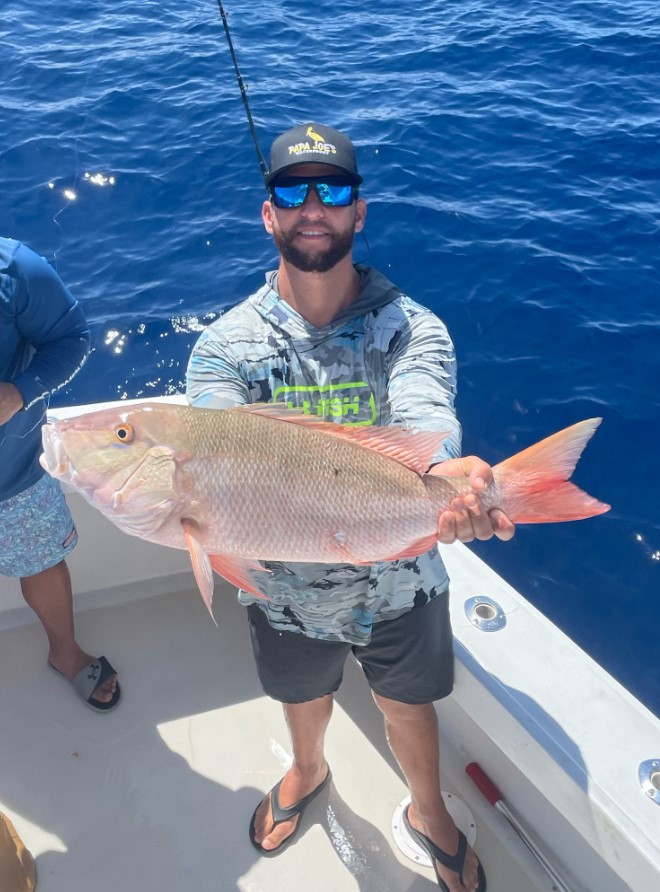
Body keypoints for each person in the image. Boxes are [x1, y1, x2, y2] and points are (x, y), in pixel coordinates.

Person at [186, 123, 515, 892]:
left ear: (358, 213)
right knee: (302, 695)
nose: (312, 207)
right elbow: (209, 435)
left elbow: (424, 417)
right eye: (291, 191)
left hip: (403, 578)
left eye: (331, 190)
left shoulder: (411, 327)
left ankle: (428, 809)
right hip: (286, 592)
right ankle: (306, 770)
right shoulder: (226, 348)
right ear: (267, 215)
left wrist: (449, 479)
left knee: (410, 704)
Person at [0, 236, 120, 712]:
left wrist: (19, 391)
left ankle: (65, 652)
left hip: (13, 474)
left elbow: (72, 339)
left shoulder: (14, 270)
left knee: (43, 563)